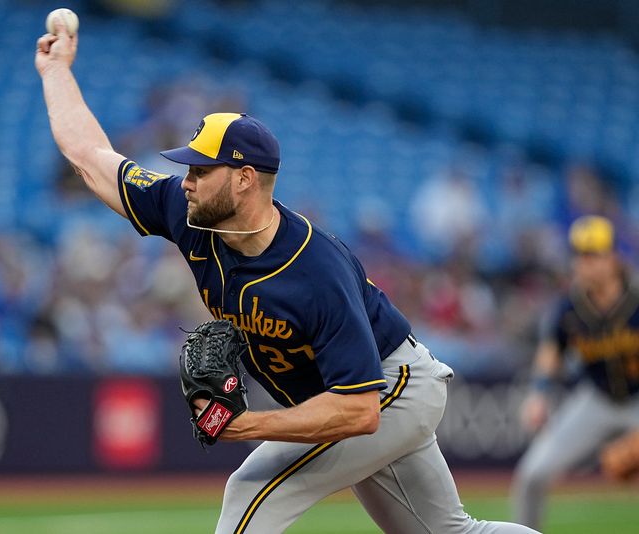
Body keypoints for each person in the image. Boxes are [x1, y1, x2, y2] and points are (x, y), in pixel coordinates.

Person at [35, 20, 538, 534]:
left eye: (199, 171)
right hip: (352, 398)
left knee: (250, 490)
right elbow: (92, 159)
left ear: (244, 179)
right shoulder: (186, 214)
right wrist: (56, 71)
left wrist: (246, 426)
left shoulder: (315, 270)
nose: (184, 181)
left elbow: (360, 411)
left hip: (391, 388)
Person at [512, 215, 639, 529]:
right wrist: (538, 394)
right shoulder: (569, 308)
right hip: (596, 400)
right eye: (580, 255)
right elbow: (551, 352)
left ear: (613, 258)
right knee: (532, 475)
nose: (586, 263)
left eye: (593, 254)